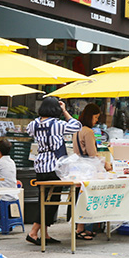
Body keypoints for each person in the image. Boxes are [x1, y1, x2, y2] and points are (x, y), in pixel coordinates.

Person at [26, 97, 82, 246]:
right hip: (55, 167)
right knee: (51, 201)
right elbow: (77, 126)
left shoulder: (33, 124)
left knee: (43, 199)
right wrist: (65, 111)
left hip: (40, 165)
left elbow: (28, 131)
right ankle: (33, 232)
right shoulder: (58, 124)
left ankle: (44, 234)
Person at [72, 103, 112, 240]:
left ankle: (80, 227)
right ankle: (80, 228)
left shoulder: (77, 130)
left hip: (78, 168)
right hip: (87, 169)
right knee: (84, 198)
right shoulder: (88, 132)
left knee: (79, 197)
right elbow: (92, 154)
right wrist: (106, 164)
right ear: (90, 117)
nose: (96, 121)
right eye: (95, 117)